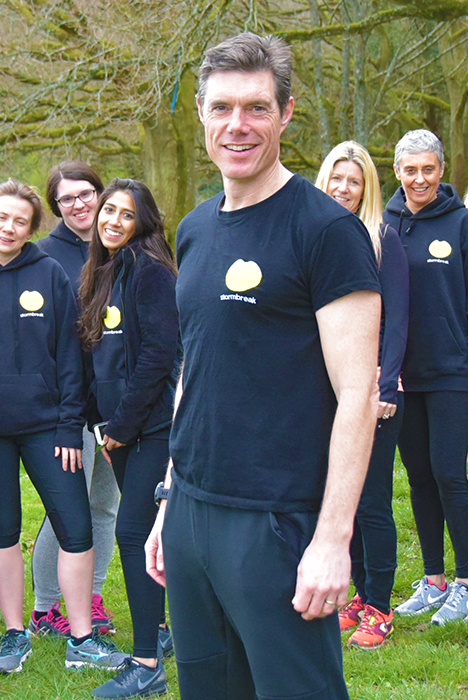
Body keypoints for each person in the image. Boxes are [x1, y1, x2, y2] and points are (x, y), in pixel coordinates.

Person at [145, 32, 381, 700]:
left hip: (277, 524)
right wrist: (169, 499)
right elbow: (195, 371)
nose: (237, 125)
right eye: (221, 108)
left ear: (286, 113)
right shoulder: (193, 229)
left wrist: (333, 539)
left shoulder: (325, 232)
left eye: (255, 107)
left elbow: (357, 395)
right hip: (192, 513)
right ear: (199, 112)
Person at [0, 178, 128, 676]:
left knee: (77, 527)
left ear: (31, 229)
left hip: (50, 429)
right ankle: (14, 633)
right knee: (3, 530)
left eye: (20, 222)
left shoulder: (49, 273)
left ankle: (82, 638)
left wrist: (71, 428)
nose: (9, 227)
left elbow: (71, 358)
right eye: (1, 217)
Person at [77, 178, 180, 699]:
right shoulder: (105, 271)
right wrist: (103, 422)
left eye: (126, 213)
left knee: (136, 534)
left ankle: (146, 665)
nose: (113, 220)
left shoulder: (150, 271)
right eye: (107, 210)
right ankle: (163, 632)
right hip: (118, 431)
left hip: (152, 428)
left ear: (145, 221)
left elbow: (159, 356)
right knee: (149, 538)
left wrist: (120, 427)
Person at [315, 141, 409, 648]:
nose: (343, 188)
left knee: (371, 499)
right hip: (326, 390)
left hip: (373, 388)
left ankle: (379, 605)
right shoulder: (314, 235)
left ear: (367, 187)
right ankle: (353, 595)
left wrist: (388, 381)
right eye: (336, 178)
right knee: (338, 496)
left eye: (354, 181)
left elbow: (397, 317)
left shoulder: (382, 238)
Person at [31, 161, 120, 638]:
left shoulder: (118, 244)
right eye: (67, 199)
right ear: (56, 206)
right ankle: (48, 605)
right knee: (69, 508)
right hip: (71, 406)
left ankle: (90, 594)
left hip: (118, 403)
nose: (80, 204)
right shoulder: (45, 258)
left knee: (105, 506)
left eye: (87, 194)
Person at [383, 129, 468, 625]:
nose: (419, 179)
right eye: (410, 170)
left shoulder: (459, 224)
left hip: (453, 371)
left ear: (441, 171)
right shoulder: (385, 223)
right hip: (401, 375)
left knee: (449, 473)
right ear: (397, 172)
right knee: (417, 477)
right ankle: (433, 579)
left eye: (428, 170)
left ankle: (464, 581)